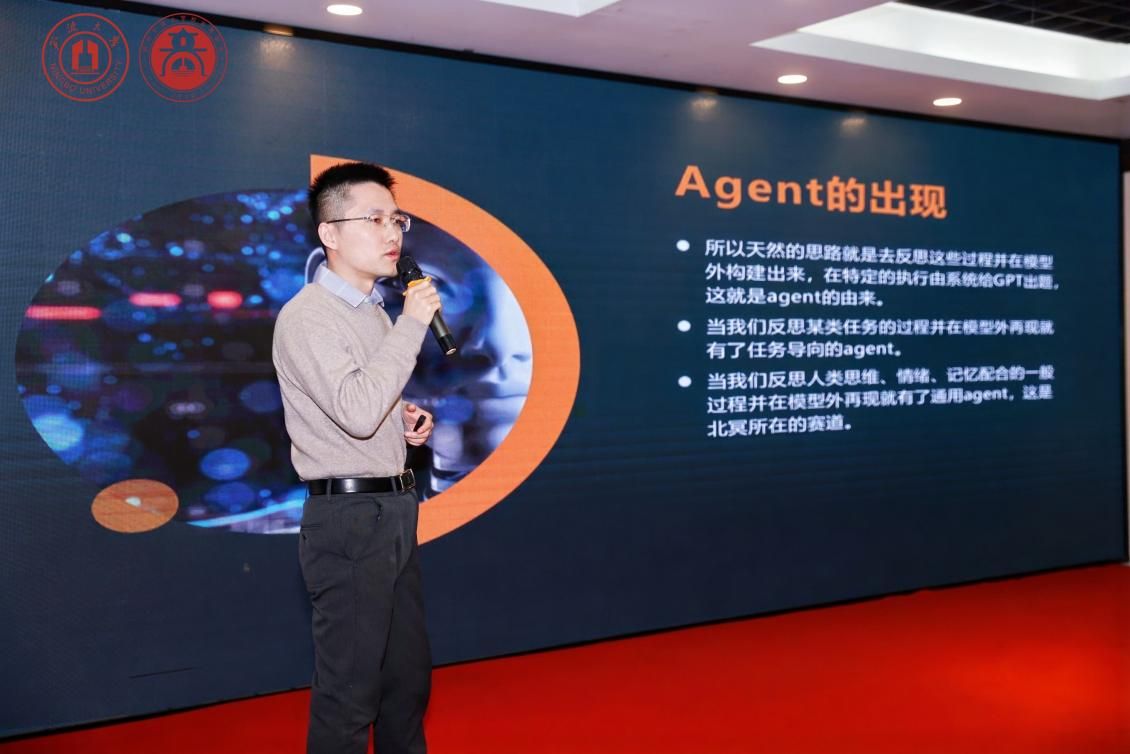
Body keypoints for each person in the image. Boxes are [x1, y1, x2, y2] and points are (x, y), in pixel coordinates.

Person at [272, 162, 440, 754]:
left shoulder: (372, 312)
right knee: (349, 694)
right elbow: (358, 410)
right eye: (374, 219)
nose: (392, 232)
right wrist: (413, 324)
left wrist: (404, 421)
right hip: (347, 521)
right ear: (330, 234)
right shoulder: (307, 316)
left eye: (397, 220)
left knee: (405, 682)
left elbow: (369, 405)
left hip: (393, 509)